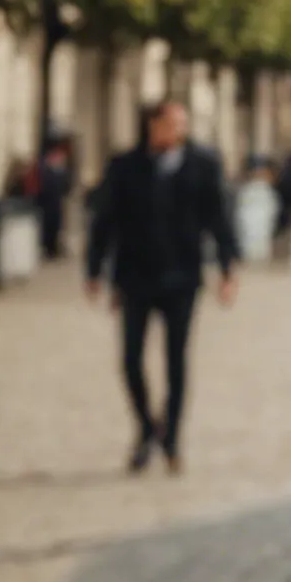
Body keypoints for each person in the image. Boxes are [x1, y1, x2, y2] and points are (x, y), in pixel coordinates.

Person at [84, 99, 241, 475]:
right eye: (170, 124)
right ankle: (146, 427)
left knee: (176, 360)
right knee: (131, 359)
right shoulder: (125, 167)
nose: (177, 131)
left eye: (182, 124)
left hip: (182, 279)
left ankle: (171, 438)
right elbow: (104, 221)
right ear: (153, 126)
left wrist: (227, 268)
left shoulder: (203, 164)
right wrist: (93, 270)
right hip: (135, 278)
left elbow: (219, 217)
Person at [35, 135, 76, 262]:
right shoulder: (45, 165)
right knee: (48, 226)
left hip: (56, 200)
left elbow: (66, 183)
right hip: (47, 201)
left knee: (57, 225)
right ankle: (49, 249)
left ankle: (53, 248)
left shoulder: (60, 166)